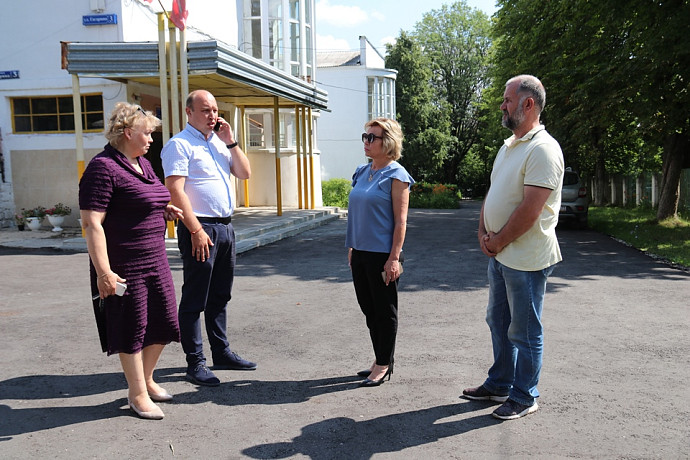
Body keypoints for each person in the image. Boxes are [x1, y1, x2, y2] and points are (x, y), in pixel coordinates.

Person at [462, 75, 564, 420]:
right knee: (498, 320)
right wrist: (482, 231)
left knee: (525, 330)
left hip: (527, 258)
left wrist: (497, 240)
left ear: (528, 104)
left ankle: (524, 396)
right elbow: (493, 193)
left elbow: (530, 210)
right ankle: (500, 383)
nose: (502, 106)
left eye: (507, 100)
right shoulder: (510, 146)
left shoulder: (543, 149)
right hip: (502, 253)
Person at [79, 102, 183, 420]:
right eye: (147, 133)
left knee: (165, 321)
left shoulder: (143, 163)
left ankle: (146, 380)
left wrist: (161, 209)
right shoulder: (102, 168)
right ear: (127, 132)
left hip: (155, 258)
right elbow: (92, 224)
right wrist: (104, 272)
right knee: (131, 327)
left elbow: (145, 197)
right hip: (124, 263)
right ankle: (137, 394)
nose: (151, 139)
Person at [161, 89, 254, 387]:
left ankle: (221, 353)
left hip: (225, 228)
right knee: (195, 298)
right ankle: (195, 363)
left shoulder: (218, 142)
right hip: (200, 228)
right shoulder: (179, 145)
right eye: (205, 110)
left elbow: (244, 173)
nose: (212, 115)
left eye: (214, 110)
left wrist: (231, 141)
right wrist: (195, 230)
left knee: (220, 295)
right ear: (189, 112)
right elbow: (175, 190)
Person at [346, 118, 415, 387]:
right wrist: (352, 246)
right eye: (365, 136)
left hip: (383, 255)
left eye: (372, 137)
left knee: (384, 312)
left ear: (388, 142)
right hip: (360, 252)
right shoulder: (361, 172)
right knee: (369, 309)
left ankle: (384, 363)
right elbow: (356, 213)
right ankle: (380, 358)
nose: (366, 142)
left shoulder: (397, 175)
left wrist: (394, 258)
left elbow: (401, 221)